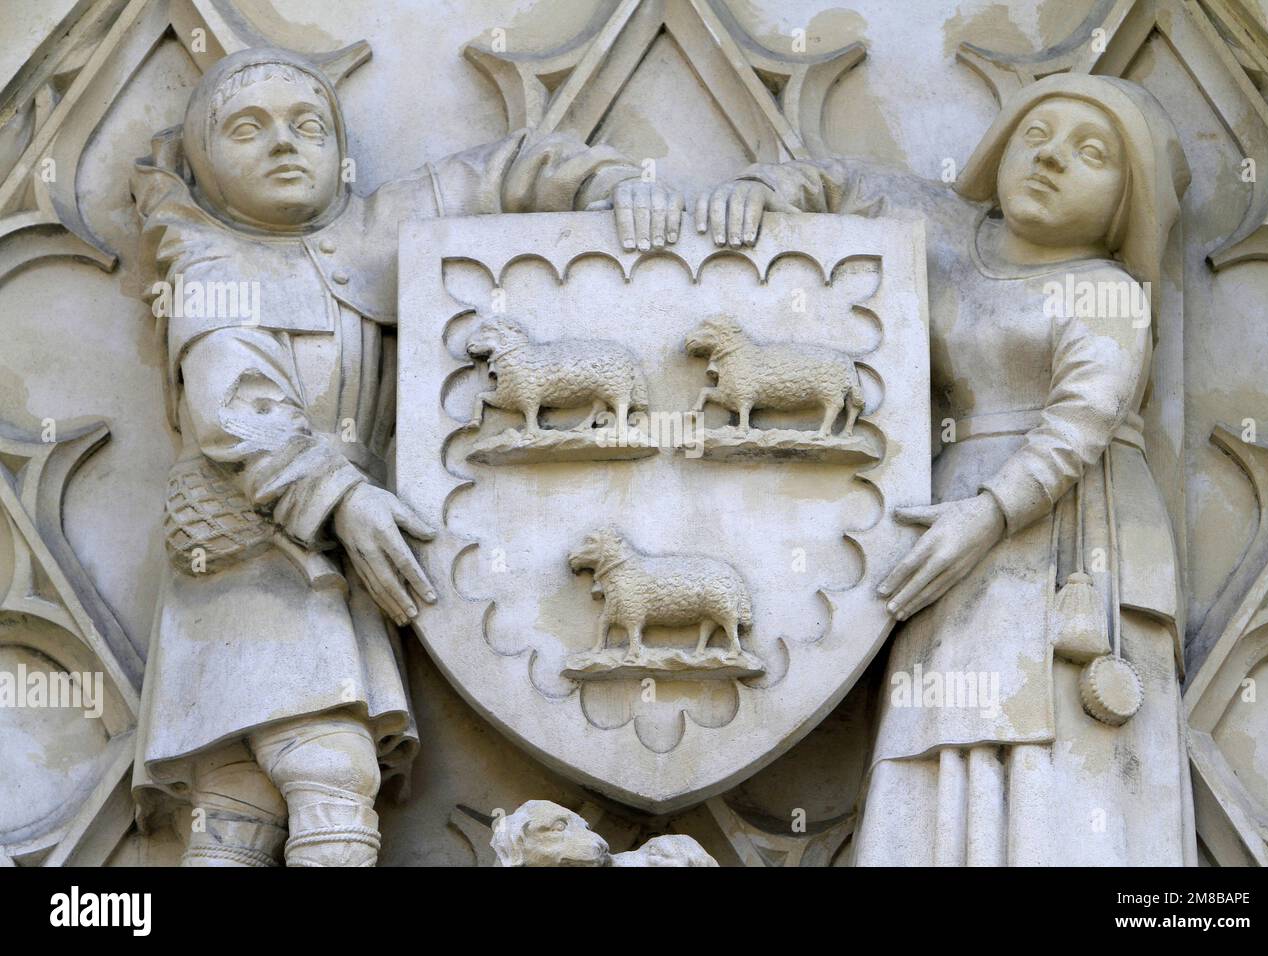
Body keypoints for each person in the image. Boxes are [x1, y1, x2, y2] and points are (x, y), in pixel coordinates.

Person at [131, 47, 683, 866]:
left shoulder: (381, 228)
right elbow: (237, 409)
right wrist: (344, 499)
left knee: (239, 800)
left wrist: (612, 185)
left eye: (307, 125)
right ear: (202, 164)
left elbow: (508, 168)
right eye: (248, 129)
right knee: (326, 772)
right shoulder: (211, 268)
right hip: (246, 557)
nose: (285, 144)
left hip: (328, 568)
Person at [698, 74, 1195, 865]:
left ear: (1127, 202)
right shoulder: (936, 228)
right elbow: (837, 183)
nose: (1052, 159)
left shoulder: (1106, 294)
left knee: (1059, 732)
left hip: (1068, 530)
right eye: (1037, 135)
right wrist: (762, 188)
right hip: (947, 511)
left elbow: (1079, 425)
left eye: (1091, 152)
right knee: (944, 711)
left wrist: (987, 516)